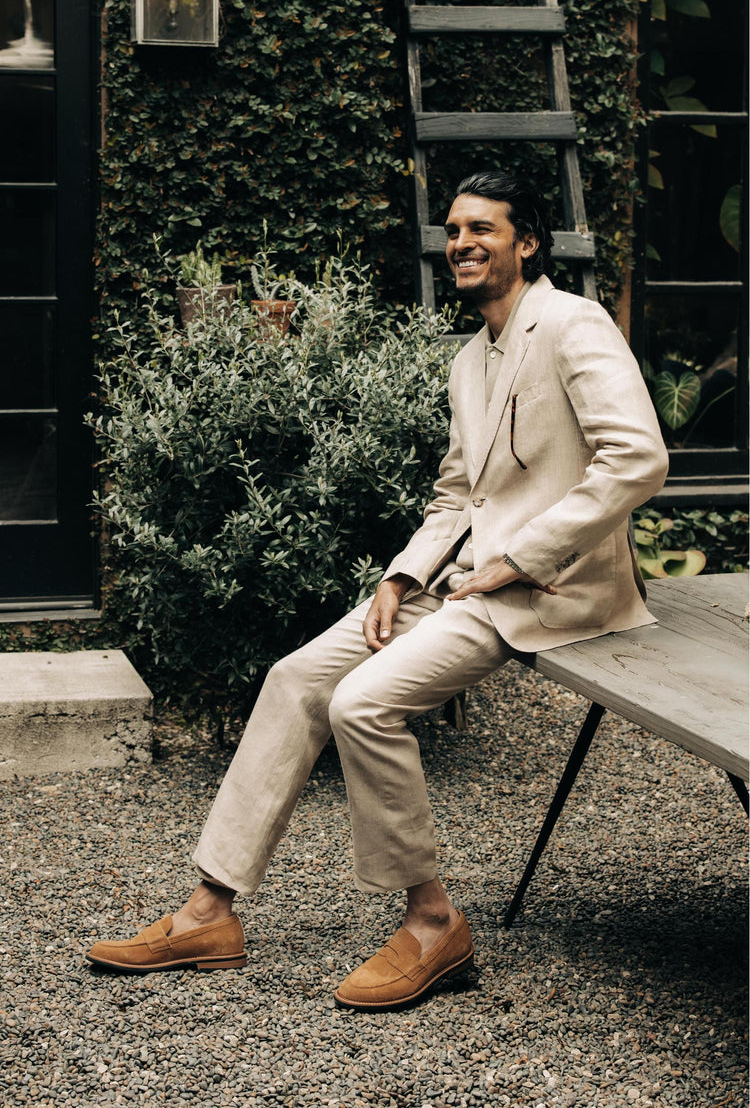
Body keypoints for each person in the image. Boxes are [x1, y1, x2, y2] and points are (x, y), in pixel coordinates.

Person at [86, 172, 669, 1009]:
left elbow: (638, 460)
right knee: (295, 679)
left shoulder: (573, 324)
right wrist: (401, 577)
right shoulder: (472, 358)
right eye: (454, 229)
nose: (461, 242)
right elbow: (458, 496)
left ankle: (432, 924)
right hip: (459, 580)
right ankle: (209, 912)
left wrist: (524, 556)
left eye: (482, 229)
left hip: (549, 588)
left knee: (362, 703)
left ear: (527, 243)